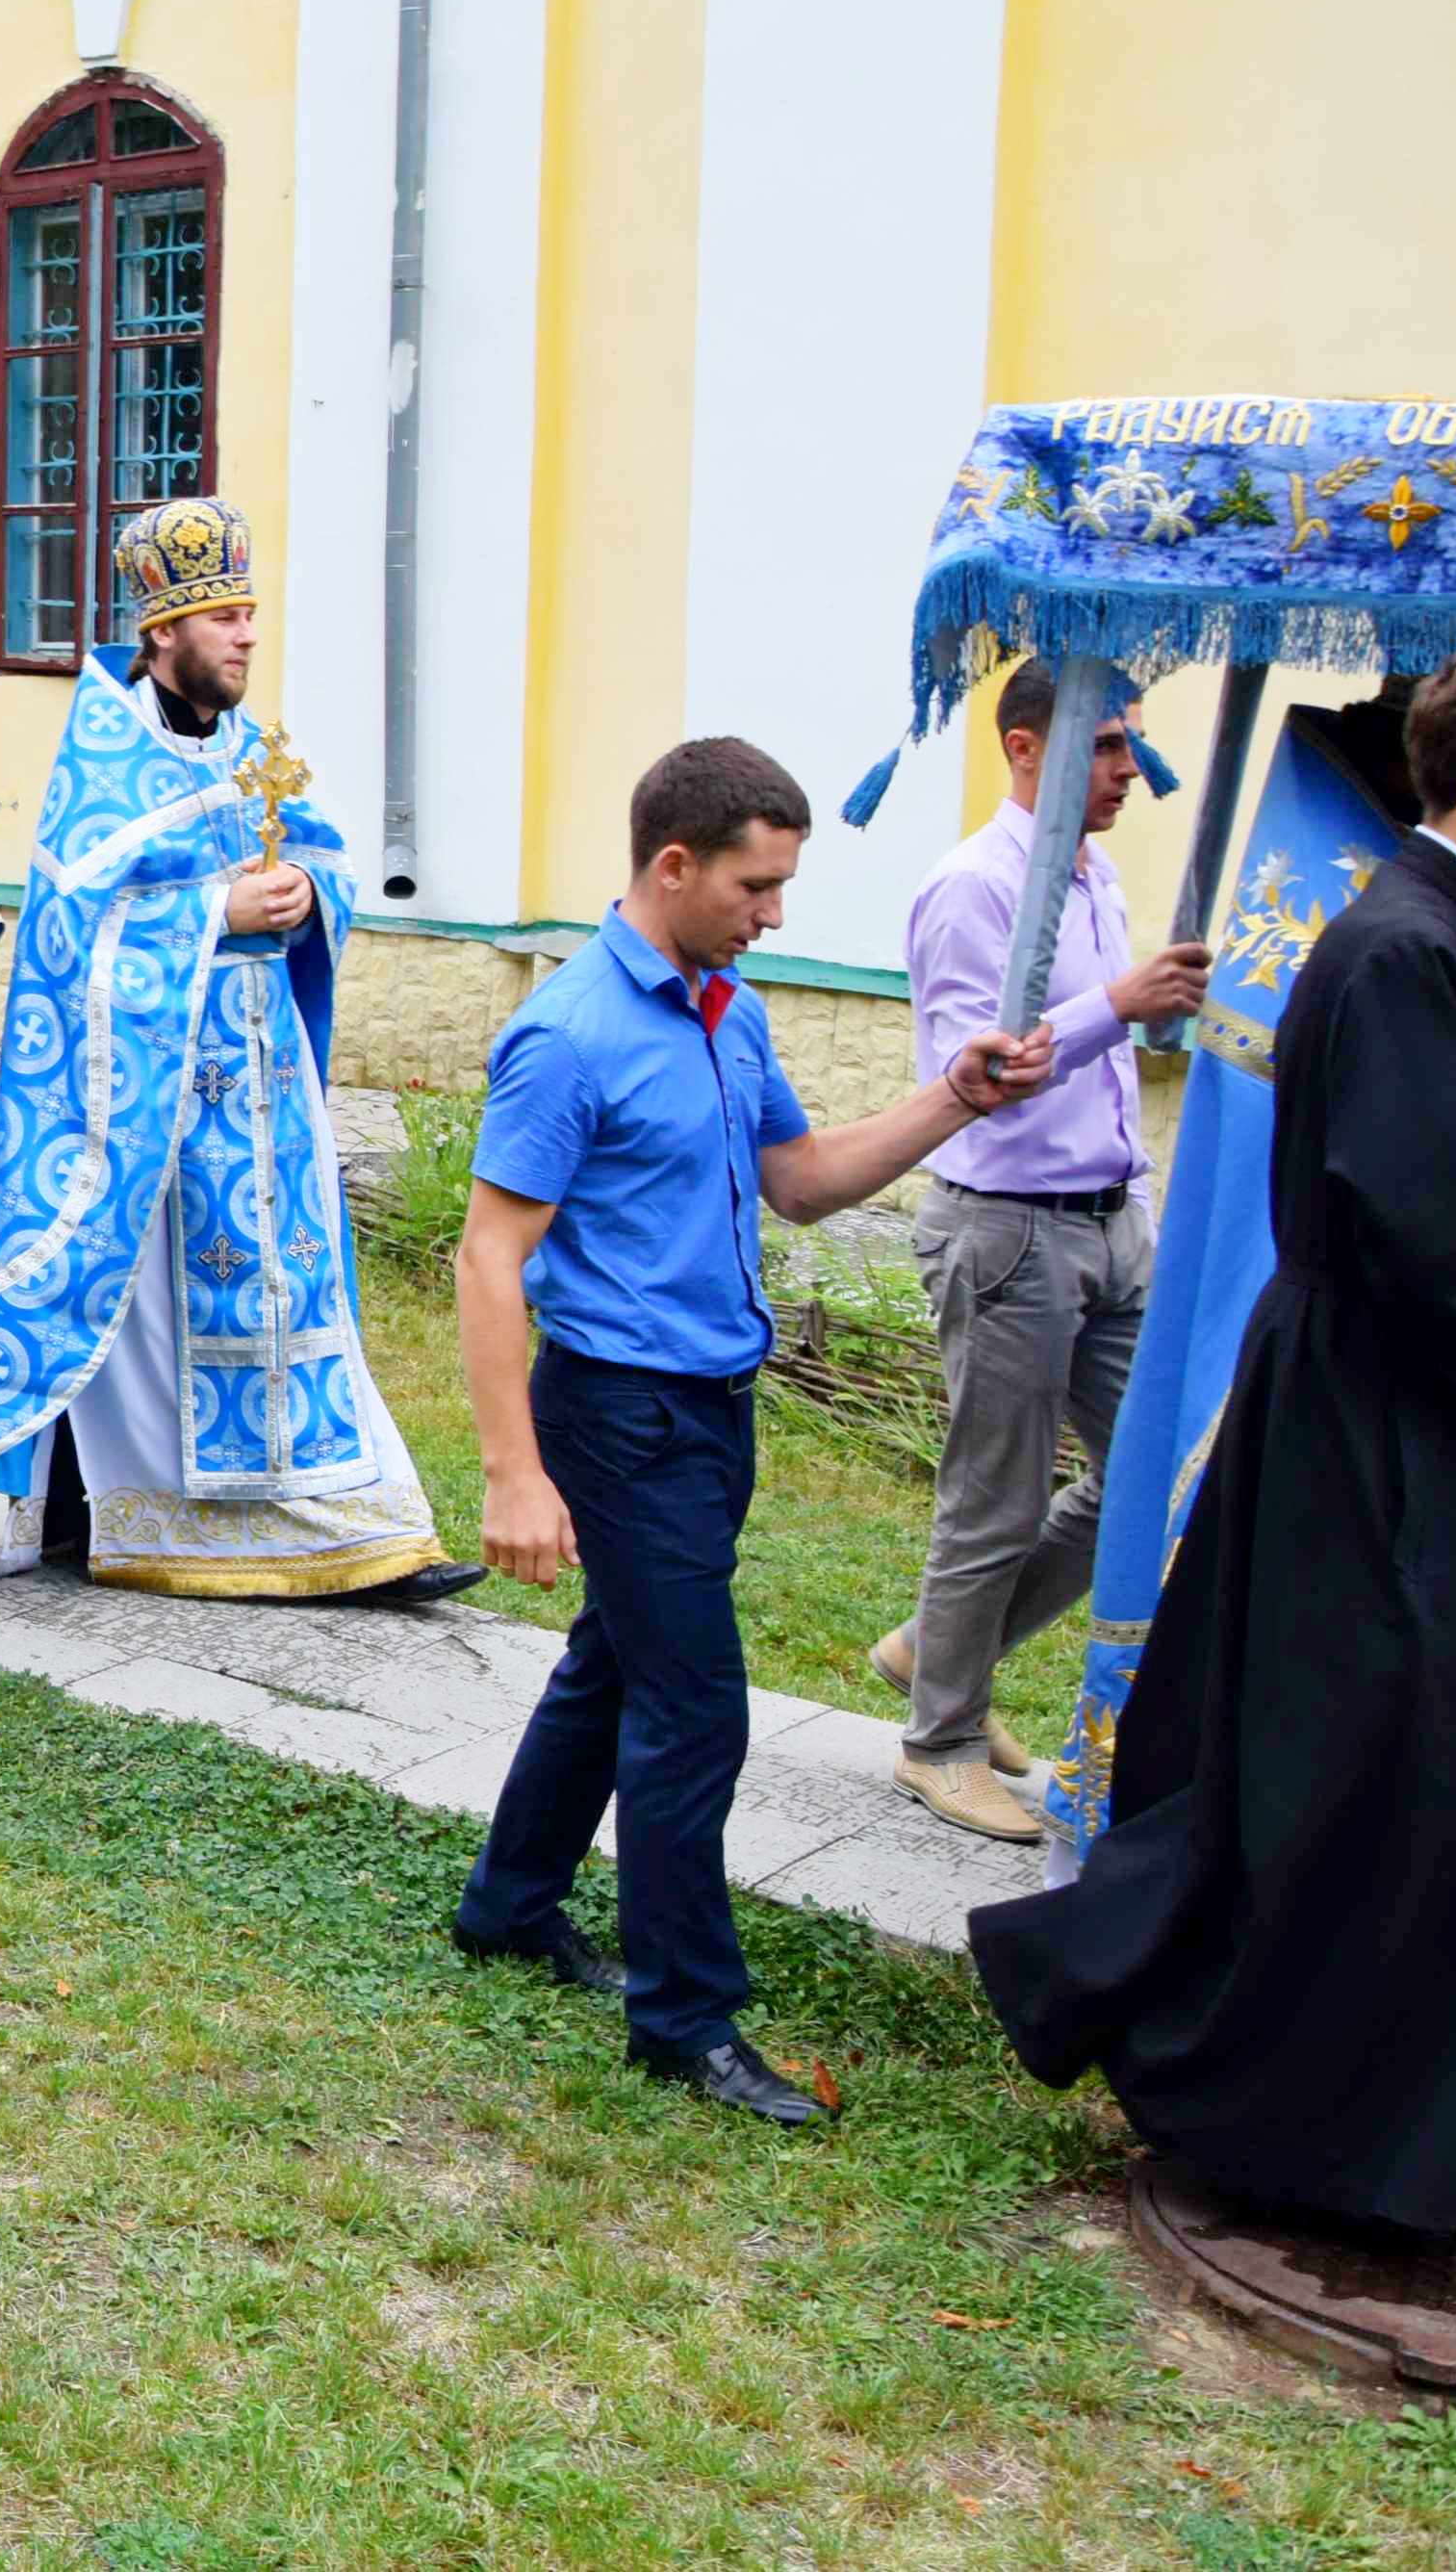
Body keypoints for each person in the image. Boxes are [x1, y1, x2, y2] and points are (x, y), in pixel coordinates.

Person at [973, 643, 1456, 2235]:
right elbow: (1418, 1230)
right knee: (1433, 1763)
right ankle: (1305, 2120)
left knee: (1416, 1765)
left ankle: (1397, 2121)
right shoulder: (1408, 949)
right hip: (1374, 1414)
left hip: (1394, 1399)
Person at [447, 737, 1054, 2127]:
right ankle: (683, 2022)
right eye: (755, 886)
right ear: (674, 865)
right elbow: (488, 1256)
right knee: (694, 1710)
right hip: (618, 1414)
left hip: (714, 1405)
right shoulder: (569, 1033)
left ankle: (508, 1905)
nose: (774, 914)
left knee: (615, 1663)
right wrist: (512, 1473)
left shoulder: (731, 1009)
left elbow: (802, 1180)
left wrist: (954, 1095)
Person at [0, 500, 479, 1607]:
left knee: (297, 1295)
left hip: (268, 1096)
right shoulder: (104, 766)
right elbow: (69, 941)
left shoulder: (252, 753)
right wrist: (213, 912)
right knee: (167, 1314)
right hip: (152, 1110)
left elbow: (325, 859)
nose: (246, 635)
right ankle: (130, 1518)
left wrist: (306, 894)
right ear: (161, 633)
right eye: (222, 619)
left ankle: (354, 1516)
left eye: (249, 614)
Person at [877, 659, 1214, 1839]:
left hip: (1109, 1220)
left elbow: (1103, 1065)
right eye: (1106, 746)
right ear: (1024, 747)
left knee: (1149, 1474)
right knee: (996, 1500)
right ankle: (939, 1741)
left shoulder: (1091, 874)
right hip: (1008, 1228)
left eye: (1132, 745)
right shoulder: (971, 886)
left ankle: (935, 1652)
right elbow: (969, 1069)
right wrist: (1114, 1005)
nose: (1129, 770)